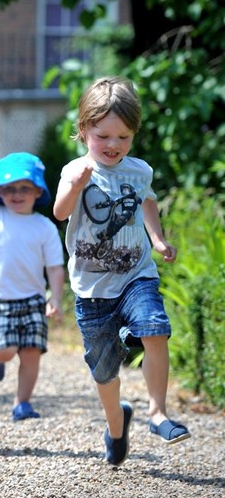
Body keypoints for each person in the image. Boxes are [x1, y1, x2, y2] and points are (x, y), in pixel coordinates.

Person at [53, 76, 190, 466]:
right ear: (83, 131)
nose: (113, 145)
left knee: (156, 328)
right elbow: (59, 213)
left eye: (123, 137)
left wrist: (158, 239)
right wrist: (76, 186)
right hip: (93, 289)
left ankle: (158, 413)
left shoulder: (139, 170)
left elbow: (147, 202)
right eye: (103, 136)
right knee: (104, 371)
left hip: (136, 274)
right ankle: (116, 426)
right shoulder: (75, 170)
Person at [0, 152, 65, 421]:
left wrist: (55, 299)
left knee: (32, 353)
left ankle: (22, 403)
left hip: (33, 299)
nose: (16, 194)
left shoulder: (44, 227)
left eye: (23, 188)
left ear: (37, 191)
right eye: (9, 188)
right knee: (7, 351)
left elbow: (54, 267)